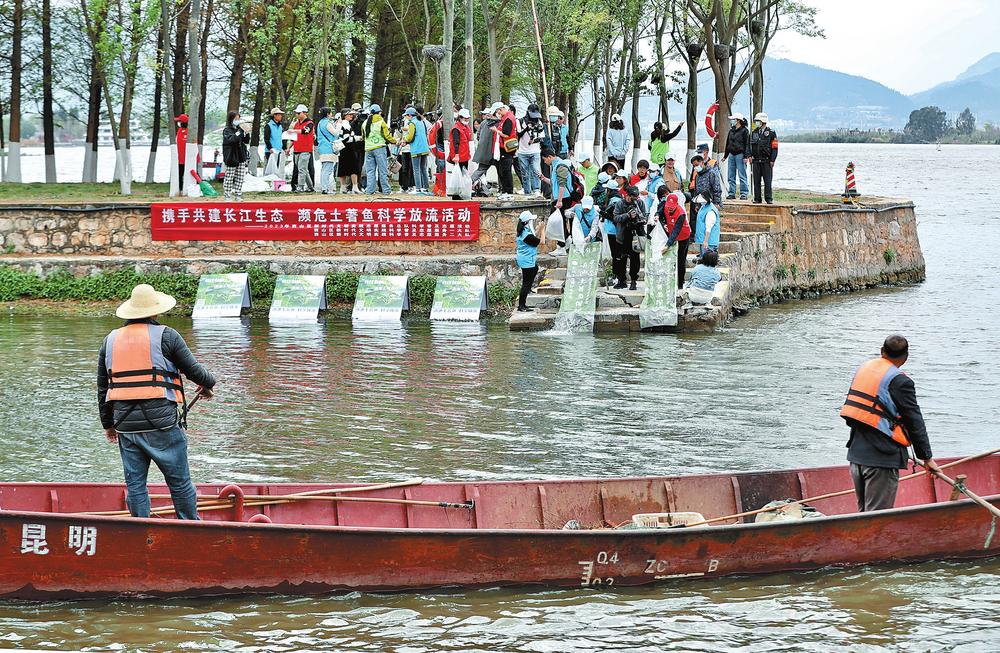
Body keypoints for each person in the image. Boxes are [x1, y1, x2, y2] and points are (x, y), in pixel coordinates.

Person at [98, 284, 217, 520]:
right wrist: (209, 383)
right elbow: (196, 372)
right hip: (161, 423)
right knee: (179, 482)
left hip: (125, 424)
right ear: (155, 311)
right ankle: (189, 526)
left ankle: (140, 528)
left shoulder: (109, 340)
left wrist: (108, 425)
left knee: (135, 484)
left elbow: (103, 388)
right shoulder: (167, 336)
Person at [841, 335, 939, 512]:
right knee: (876, 518)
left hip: (856, 457)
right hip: (881, 461)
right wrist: (927, 458)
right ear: (906, 357)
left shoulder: (864, 369)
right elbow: (914, 420)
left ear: (882, 351)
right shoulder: (900, 382)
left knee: (863, 515)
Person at [613, 184, 644, 290]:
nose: (635, 200)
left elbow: (644, 216)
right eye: (633, 197)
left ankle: (634, 280)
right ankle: (622, 280)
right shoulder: (620, 204)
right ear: (628, 195)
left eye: (637, 197)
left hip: (635, 235)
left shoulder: (640, 203)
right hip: (623, 235)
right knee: (621, 259)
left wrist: (638, 217)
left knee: (635, 259)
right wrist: (627, 215)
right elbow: (616, 218)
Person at [691, 153, 723, 256]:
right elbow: (696, 191)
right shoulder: (697, 176)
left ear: (702, 163)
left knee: (710, 226)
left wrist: (717, 202)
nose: (695, 167)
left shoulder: (711, 173)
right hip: (702, 204)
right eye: (694, 166)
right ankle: (702, 250)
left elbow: (717, 189)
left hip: (711, 203)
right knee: (701, 227)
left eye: (697, 165)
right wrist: (697, 205)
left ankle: (710, 250)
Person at [363, 103, 398, 195]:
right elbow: (387, 136)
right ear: (379, 112)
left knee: (370, 171)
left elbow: (363, 136)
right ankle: (386, 190)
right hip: (379, 148)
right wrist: (395, 141)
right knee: (383, 170)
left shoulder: (365, 123)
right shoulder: (381, 121)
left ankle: (370, 190)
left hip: (368, 149)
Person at [659, 191, 691, 288]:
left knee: (681, 260)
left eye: (672, 206)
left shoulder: (681, 213)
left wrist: (667, 245)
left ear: (677, 204)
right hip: (671, 234)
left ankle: (680, 283)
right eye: (668, 206)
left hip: (683, 236)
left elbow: (676, 231)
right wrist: (657, 216)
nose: (670, 208)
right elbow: (659, 212)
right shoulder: (665, 206)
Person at [470, 104, 501, 195]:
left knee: (480, 170)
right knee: (501, 171)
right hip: (495, 152)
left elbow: (478, 135)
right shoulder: (499, 123)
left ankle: (467, 184)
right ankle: (502, 189)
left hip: (483, 151)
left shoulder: (484, 123)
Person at [516, 211, 542, 312]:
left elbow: (534, 238)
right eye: (531, 220)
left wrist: (538, 230)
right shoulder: (526, 235)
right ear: (527, 222)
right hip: (526, 260)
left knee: (535, 268)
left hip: (525, 259)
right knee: (526, 284)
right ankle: (521, 306)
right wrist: (542, 229)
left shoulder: (524, 230)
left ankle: (528, 289)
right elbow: (541, 242)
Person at [749, 112, 778, 204]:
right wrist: (749, 156)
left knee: (767, 181)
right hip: (756, 160)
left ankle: (768, 198)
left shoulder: (771, 133)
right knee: (756, 181)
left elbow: (775, 148)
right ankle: (757, 198)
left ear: (763, 121)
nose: (756, 123)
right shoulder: (754, 132)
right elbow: (749, 146)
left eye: (758, 121)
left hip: (767, 161)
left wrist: (772, 160)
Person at [221, 110, 251, 201]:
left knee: (240, 176)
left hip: (241, 155)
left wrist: (247, 132)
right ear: (231, 119)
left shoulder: (239, 129)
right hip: (231, 156)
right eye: (236, 119)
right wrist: (241, 131)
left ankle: (238, 194)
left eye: (239, 118)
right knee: (229, 176)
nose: (238, 120)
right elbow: (232, 139)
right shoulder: (227, 130)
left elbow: (246, 141)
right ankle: (227, 195)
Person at [516, 104, 545, 196]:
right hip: (522, 151)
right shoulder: (520, 121)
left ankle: (537, 190)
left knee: (536, 170)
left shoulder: (539, 122)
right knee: (525, 173)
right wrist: (527, 128)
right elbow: (518, 134)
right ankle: (527, 192)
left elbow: (541, 137)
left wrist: (533, 141)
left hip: (535, 151)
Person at [723, 113, 751, 200]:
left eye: (733, 119)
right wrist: (725, 156)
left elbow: (747, 144)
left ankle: (744, 193)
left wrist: (746, 156)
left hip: (740, 155)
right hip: (731, 155)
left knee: (742, 175)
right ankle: (731, 193)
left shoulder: (745, 131)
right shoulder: (731, 130)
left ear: (738, 120)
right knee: (731, 175)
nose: (732, 121)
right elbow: (728, 143)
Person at [493, 103, 518, 198]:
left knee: (506, 170)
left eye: (498, 111)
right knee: (503, 169)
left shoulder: (508, 119)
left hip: (507, 148)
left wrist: (496, 131)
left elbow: (506, 134)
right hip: (504, 147)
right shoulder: (506, 118)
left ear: (501, 109)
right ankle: (505, 190)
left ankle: (508, 191)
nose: (498, 113)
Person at [289, 104, 315, 192]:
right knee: (303, 169)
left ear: (304, 113)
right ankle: (310, 187)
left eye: (298, 113)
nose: (297, 115)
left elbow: (306, 131)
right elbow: (293, 138)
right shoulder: (296, 124)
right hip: (297, 149)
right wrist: (289, 148)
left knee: (302, 169)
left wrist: (294, 131)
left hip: (305, 149)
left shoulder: (310, 123)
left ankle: (300, 186)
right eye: (297, 113)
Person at [337, 107, 363, 193]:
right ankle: (354, 187)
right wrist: (358, 138)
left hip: (343, 149)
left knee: (343, 167)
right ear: (345, 115)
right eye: (350, 114)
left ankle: (343, 187)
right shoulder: (345, 124)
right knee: (353, 167)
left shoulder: (341, 123)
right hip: (348, 148)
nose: (352, 116)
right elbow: (347, 139)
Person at [407, 107, 432, 195]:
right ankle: (425, 188)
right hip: (425, 148)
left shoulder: (412, 123)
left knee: (416, 169)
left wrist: (404, 140)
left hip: (416, 148)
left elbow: (410, 137)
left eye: (406, 116)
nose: (406, 117)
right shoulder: (422, 122)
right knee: (423, 168)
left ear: (410, 115)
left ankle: (418, 189)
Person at [315, 107, 340, 194]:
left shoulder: (320, 123)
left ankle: (324, 187)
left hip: (322, 148)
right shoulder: (327, 123)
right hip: (329, 148)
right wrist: (339, 125)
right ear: (327, 114)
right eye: (330, 112)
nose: (331, 114)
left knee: (324, 169)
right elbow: (336, 133)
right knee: (327, 169)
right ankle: (325, 188)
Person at [262, 108, 286, 178]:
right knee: (269, 169)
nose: (281, 116)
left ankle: (274, 182)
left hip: (278, 151)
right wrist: (270, 148)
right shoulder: (268, 125)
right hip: (270, 151)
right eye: (279, 114)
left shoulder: (280, 126)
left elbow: (282, 138)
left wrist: (284, 148)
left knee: (276, 169)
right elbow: (266, 139)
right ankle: (267, 182)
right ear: (274, 115)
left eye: (281, 114)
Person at [448, 108, 473, 172]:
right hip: (459, 156)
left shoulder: (466, 127)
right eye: (465, 118)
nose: (467, 120)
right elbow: (455, 143)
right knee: (459, 174)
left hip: (465, 155)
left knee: (464, 173)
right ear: (460, 118)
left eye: (468, 118)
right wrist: (456, 155)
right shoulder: (456, 129)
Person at [175, 113, 189, 183]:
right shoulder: (181, 131)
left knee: (181, 174)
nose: (178, 123)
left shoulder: (183, 132)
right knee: (181, 174)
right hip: (183, 158)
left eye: (179, 121)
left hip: (183, 158)